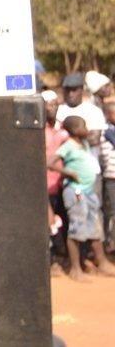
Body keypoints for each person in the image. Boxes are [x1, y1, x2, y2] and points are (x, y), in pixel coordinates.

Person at [48, 116, 115, 280]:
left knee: (95, 226)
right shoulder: (68, 146)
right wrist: (69, 173)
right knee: (77, 228)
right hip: (76, 192)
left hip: (89, 191)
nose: (86, 129)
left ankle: (102, 262)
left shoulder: (84, 144)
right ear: (74, 130)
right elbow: (50, 163)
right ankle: (75, 268)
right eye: (83, 126)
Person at [42, 90, 68, 263]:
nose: (52, 108)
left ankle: (64, 256)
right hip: (45, 183)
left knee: (63, 219)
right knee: (48, 222)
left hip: (63, 182)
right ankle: (52, 258)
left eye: (55, 104)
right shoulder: (37, 129)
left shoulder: (64, 127)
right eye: (49, 105)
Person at [100, 102, 115, 253]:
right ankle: (109, 243)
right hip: (111, 177)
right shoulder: (107, 131)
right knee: (111, 212)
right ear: (108, 115)